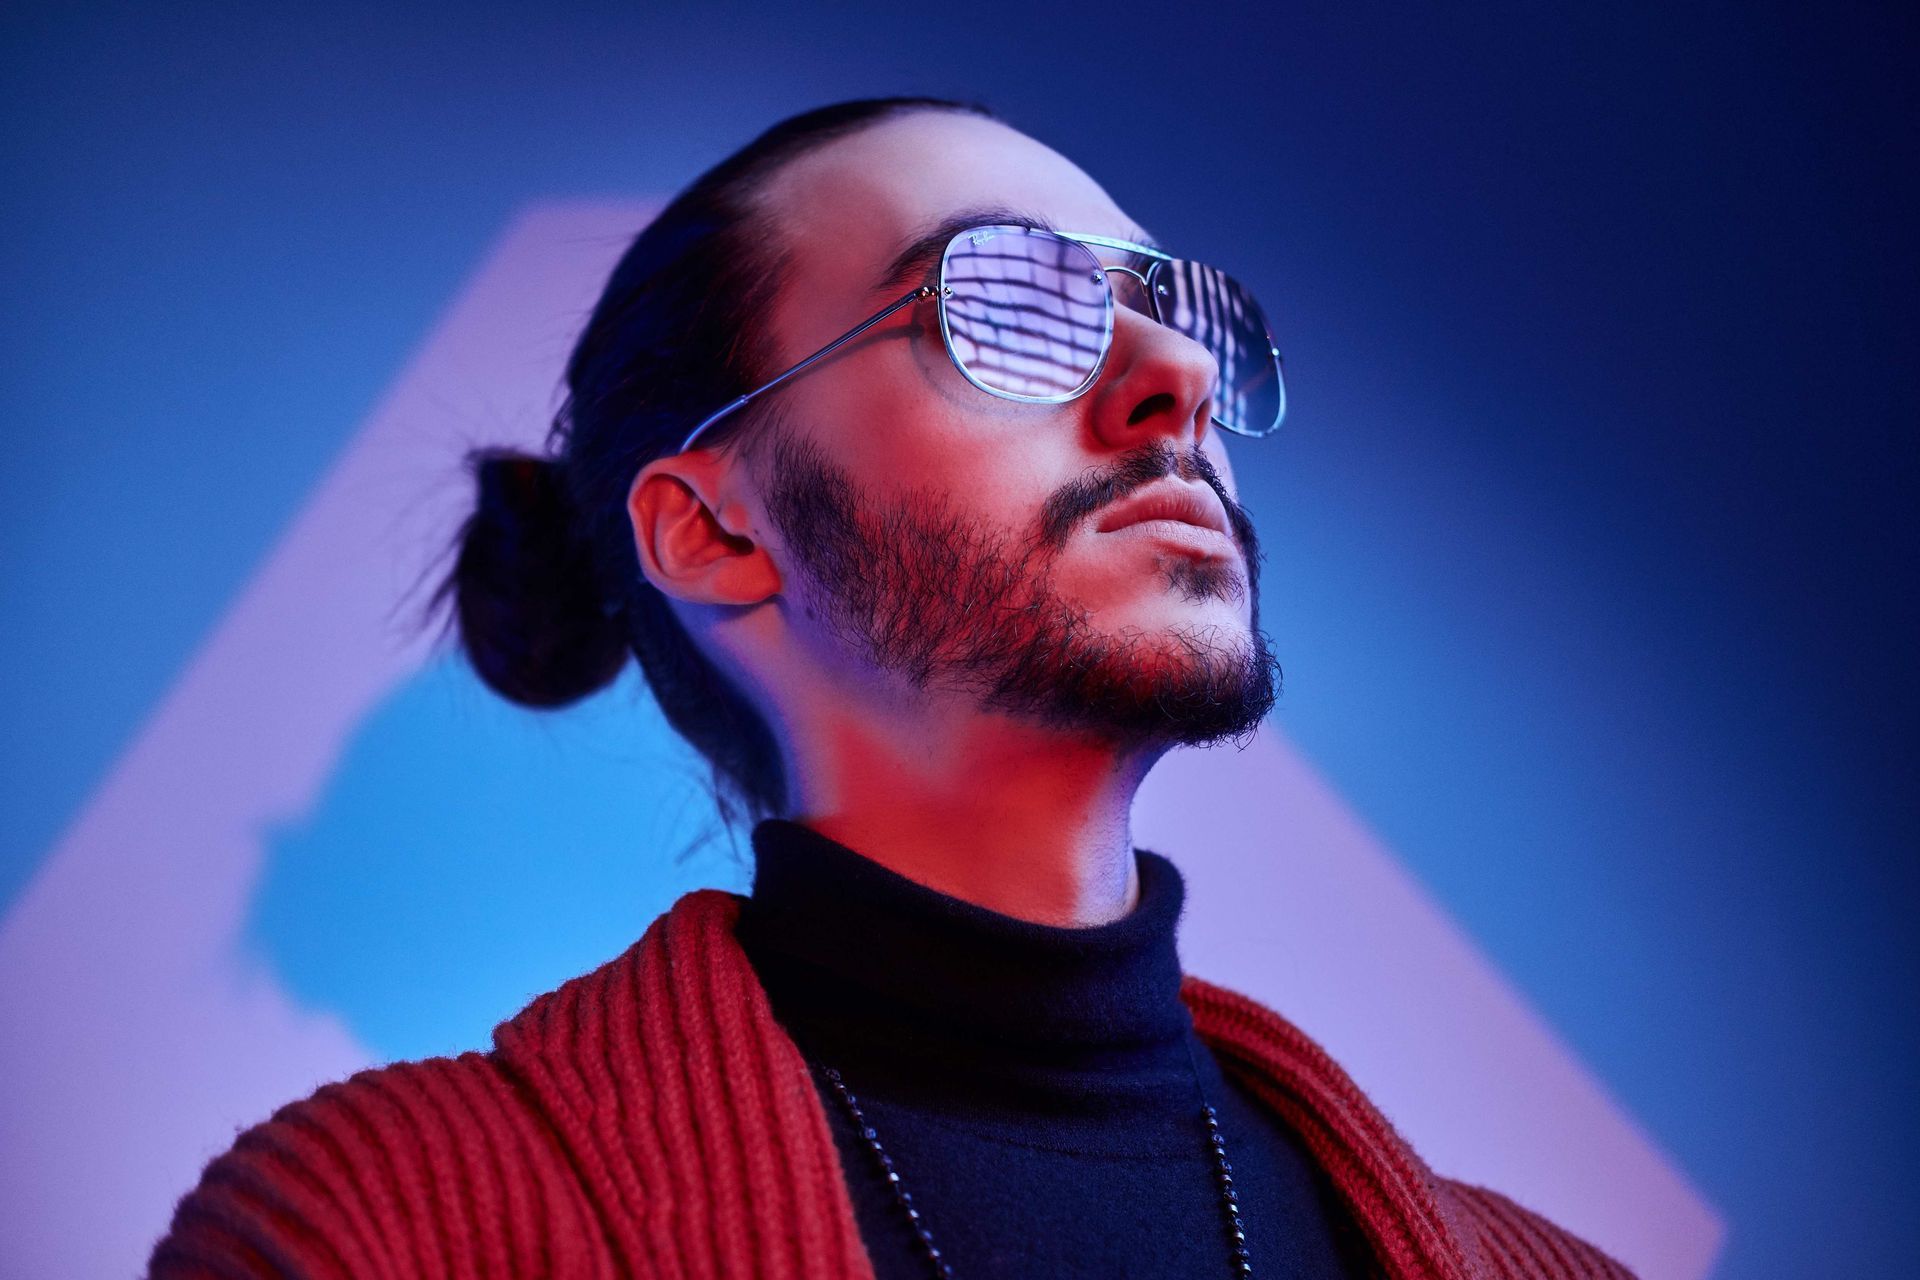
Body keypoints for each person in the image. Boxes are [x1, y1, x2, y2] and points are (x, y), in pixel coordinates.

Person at [148, 97, 1634, 1279]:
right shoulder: (385, 1232)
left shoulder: (1550, 1270)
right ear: (717, 528)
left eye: (1173, 306)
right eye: (1007, 305)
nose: (1173, 376)